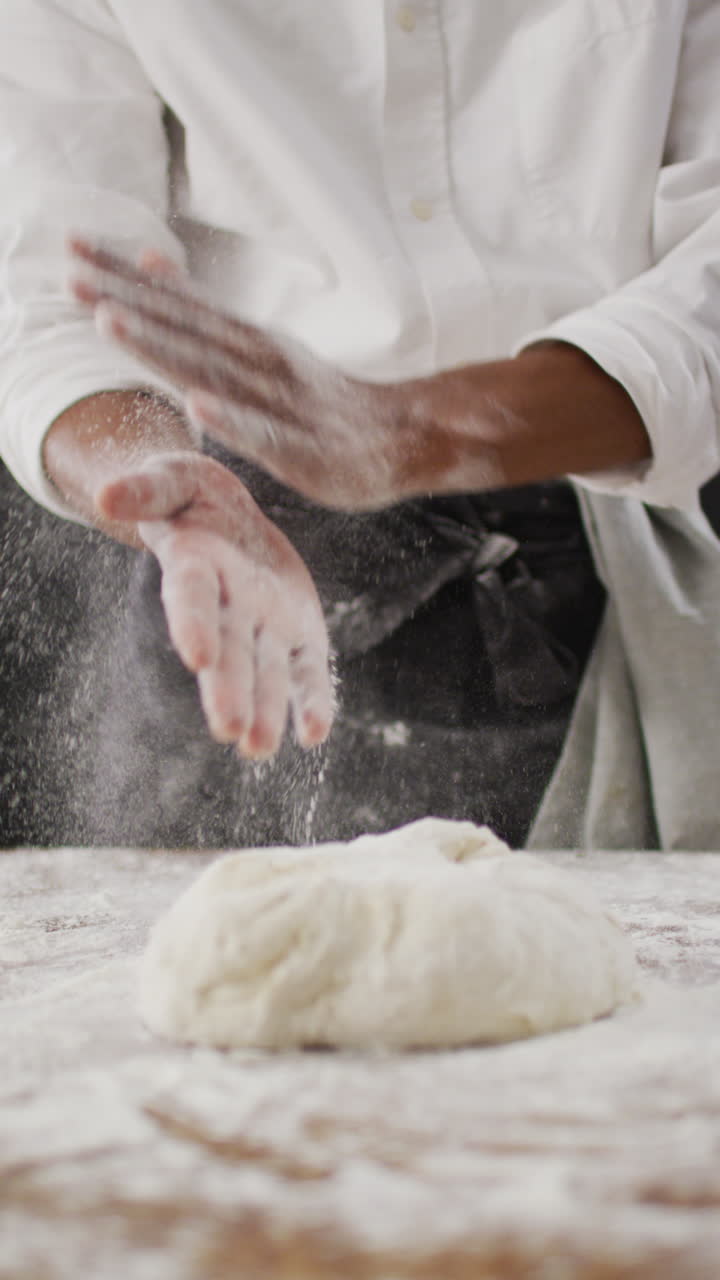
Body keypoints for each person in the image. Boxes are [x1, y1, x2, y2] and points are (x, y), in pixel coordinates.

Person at [1, 1, 719, 850]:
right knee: (204, 962)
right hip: (250, 563)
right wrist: (166, 489)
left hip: (620, 496)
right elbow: (47, 298)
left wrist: (414, 430)